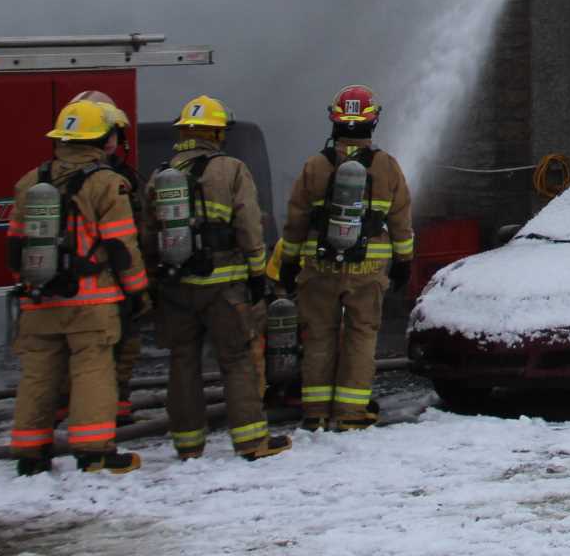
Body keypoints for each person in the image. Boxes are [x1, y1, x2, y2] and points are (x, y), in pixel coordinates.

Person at [6, 100, 149, 475]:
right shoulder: (106, 183)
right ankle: (94, 451)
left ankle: (30, 453)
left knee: (38, 373)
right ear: (102, 138)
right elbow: (121, 247)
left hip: (39, 296)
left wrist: (32, 283)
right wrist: (137, 293)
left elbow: (15, 246)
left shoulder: (30, 182)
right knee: (92, 370)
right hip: (91, 299)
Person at [144, 95, 289, 462]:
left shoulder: (160, 177)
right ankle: (251, 441)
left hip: (177, 287)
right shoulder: (231, 170)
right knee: (237, 359)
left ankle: (188, 445)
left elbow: (147, 237)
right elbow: (249, 226)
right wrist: (258, 273)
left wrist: (152, 282)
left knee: (183, 361)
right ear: (216, 133)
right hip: (225, 287)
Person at [281, 85, 413, 432]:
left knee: (319, 335)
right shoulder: (386, 166)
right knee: (361, 335)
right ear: (373, 121)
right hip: (367, 269)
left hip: (319, 267)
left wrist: (288, 261)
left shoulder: (315, 165)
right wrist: (404, 261)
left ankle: (316, 413)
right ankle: (351, 414)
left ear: (334, 120)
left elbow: (296, 219)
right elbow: (401, 220)